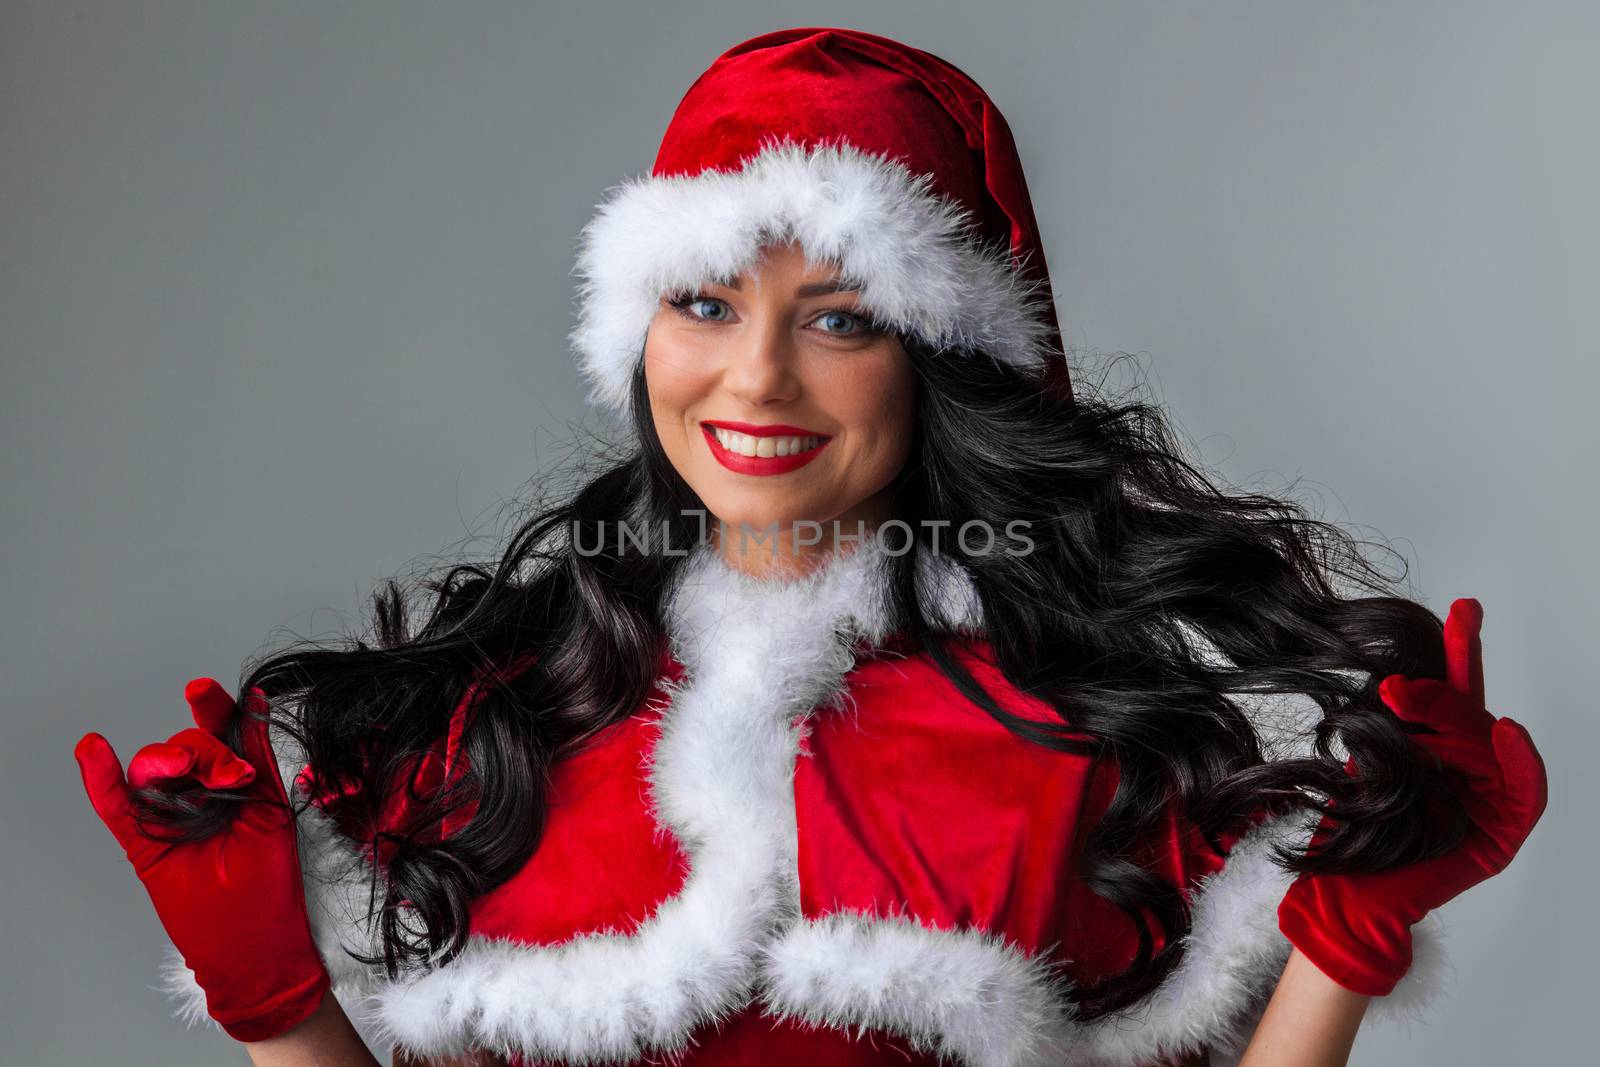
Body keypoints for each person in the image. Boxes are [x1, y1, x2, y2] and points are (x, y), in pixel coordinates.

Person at [72, 26, 1547, 1067]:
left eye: (839, 318)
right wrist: (272, 1000)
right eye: (704, 303)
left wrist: (1346, 943)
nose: (757, 378)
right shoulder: (489, 726)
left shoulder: (1077, 757)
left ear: (938, 359)